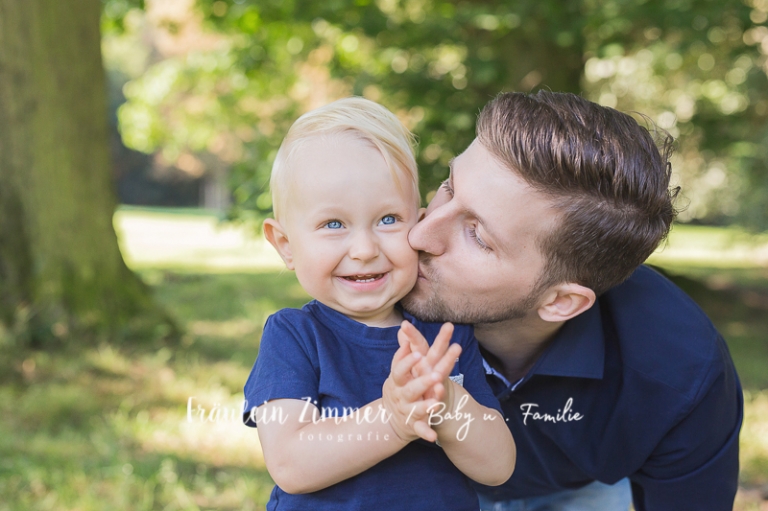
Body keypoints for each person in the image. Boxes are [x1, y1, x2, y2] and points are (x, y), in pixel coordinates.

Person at [400, 90, 743, 511]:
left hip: (577, 492)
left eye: (478, 237)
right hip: (425, 482)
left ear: (562, 301)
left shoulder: (680, 374)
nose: (418, 235)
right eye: (448, 188)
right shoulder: (375, 288)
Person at [242, 97, 516, 511]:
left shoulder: (444, 333)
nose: (366, 249)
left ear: (418, 221)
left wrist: (447, 404)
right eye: (333, 224)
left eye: (388, 219)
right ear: (286, 245)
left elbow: (498, 466)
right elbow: (291, 464)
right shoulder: (295, 337)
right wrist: (392, 418)